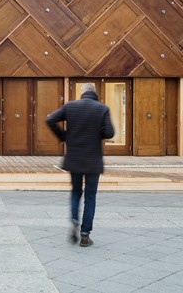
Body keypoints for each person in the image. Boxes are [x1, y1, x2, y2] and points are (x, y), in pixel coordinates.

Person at [46, 82, 114, 247]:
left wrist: (63, 136)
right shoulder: (102, 109)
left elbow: (50, 119)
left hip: (74, 158)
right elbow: (109, 133)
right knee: (90, 196)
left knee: (76, 192)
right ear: (94, 93)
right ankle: (85, 234)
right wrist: (97, 131)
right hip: (93, 160)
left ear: (81, 93)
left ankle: (74, 218)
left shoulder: (70, 107)